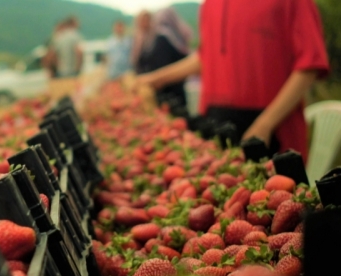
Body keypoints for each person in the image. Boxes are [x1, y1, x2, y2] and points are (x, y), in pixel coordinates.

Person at [134, 0, 329, 162]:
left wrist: (265, 123)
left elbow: (309, 64)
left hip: (272, 129)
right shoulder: (210, 4)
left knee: (279, 203)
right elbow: (206, 58)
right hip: (217, 123)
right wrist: (154, 79)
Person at [132, 8, 193, 117]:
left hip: (169, 89)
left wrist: (152, 78)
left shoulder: (161, 38)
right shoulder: (143, 39)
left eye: (147, 20)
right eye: (142, 20)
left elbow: (163, 64)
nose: (144, 23)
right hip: (165, 85)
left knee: (176, 116)